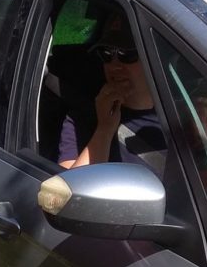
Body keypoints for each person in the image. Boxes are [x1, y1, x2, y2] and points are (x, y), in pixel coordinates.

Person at [57, 12, 165, 171]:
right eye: (106, 54)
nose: (114, 65)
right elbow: (66, 190)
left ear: (153, 58)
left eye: (127, 55)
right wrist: (105, 129)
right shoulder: (83, 118)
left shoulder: (180, 115)